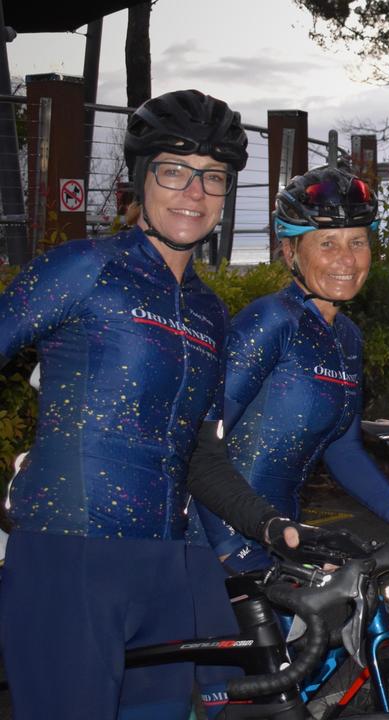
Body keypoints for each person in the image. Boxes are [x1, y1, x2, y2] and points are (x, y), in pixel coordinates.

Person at [0, 89, 316, 719]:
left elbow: (198, 451)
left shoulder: (207, 311)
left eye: (214, 179)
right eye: (175, 171)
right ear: (140, 177)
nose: (193, 194)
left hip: (167, 566)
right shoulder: (84, 268)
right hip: (69, 555)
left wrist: (271, 525)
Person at [188, 165, 389, 576]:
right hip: (219, 544)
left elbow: (342, 449)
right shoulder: (271, 322)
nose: (346, 259)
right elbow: (198, 449)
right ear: (290, 251)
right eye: (327, 243)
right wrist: (232, 551)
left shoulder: (347, 337)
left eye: (358, 242)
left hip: (285, 538)